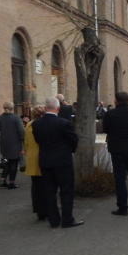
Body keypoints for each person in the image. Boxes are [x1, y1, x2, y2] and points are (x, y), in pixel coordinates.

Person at [32, 97, 82, 228]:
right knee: (66, 190)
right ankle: (67, 219)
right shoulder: (64, 123)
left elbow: (38, 141)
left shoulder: (36, 124)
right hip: (63, 161)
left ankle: (54, 220)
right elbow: (73, 140)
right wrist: (69, 150)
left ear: (45, 108)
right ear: (58, 108)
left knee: (49, 191)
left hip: (45, 161)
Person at [103, 91, 128, 216]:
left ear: (116, 100)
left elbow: (105, 129)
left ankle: (123, 207)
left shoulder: (110, 114)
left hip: (117, 149)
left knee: (120, 178)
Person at [23, 105, 48, 221]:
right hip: (42, 156)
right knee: (46, 184)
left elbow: (26, 143)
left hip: (32, 157)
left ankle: (38, 209)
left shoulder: (28, 125)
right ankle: (46, 208)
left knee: (36, 185)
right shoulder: (43, 125)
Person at [0, 101, 24, 189]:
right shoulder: (16, 118)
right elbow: (21, 131)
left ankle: (3, 180)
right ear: (12, 108)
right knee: (14, 163)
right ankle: (12, 182)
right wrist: (23, 140)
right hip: (14, 143)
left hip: (4, 143)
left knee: (7, 162)